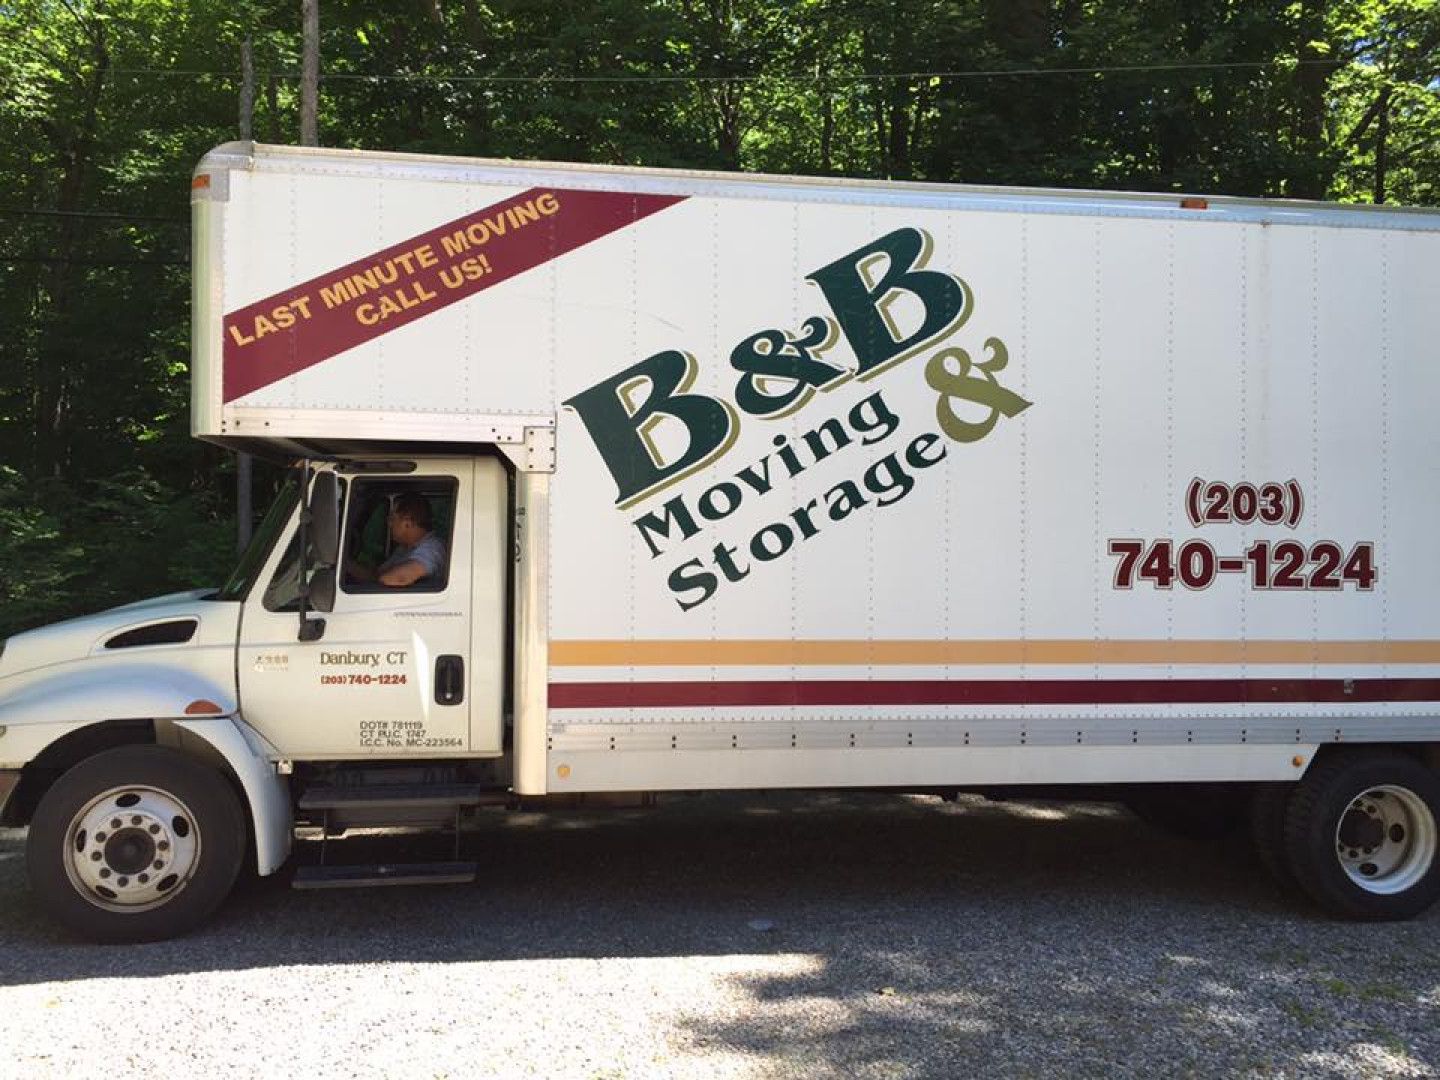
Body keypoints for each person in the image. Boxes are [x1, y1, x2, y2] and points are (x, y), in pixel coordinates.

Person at [349, 493, 446, 588]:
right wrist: (346, 566)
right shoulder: (404, 548)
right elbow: (376, 575)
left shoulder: (433, 548)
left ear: (407, 523)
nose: (389, 524)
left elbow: (399, 578)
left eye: (392, 519)